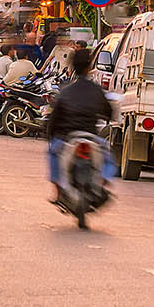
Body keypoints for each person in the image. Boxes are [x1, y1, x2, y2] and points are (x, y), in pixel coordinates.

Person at [43, 45, 110, 203]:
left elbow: (53, 118)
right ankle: (102, 183)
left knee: (52, 154)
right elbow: (108, 112)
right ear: (89, 68)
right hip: (91, 136)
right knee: (108, 156)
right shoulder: (97, 90)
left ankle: (58, 192)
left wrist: (49, 135)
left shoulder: (65, 91)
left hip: (67, 138)